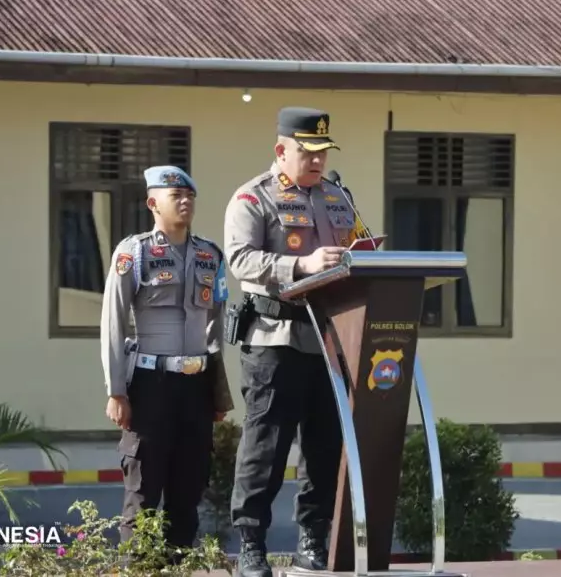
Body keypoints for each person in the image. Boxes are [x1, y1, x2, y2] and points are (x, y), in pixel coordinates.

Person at [223, 107, 366, 577]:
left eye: (324, 153)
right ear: (281, 150)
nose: (318, 162)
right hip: (275, 341)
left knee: (324, 449)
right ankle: (252, 545)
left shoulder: (338, 196)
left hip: (330, 343)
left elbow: (362, 247)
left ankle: (312, 537)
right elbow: (241, 260)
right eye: (308, 153)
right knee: (265, 448)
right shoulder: (253, 198)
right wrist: (300, 265)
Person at [100, 165, 234, 554]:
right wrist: (116, 391)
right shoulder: (134, 252)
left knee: (187, 495)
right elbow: (113, 321)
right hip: (149, 386)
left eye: (190, 195)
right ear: (152, 203)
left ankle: (178, 566)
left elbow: (216, 327)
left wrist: (216, 391)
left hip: (195, 388)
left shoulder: (210, 255)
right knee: (142, 494)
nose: (186, 201)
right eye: (176, 195)